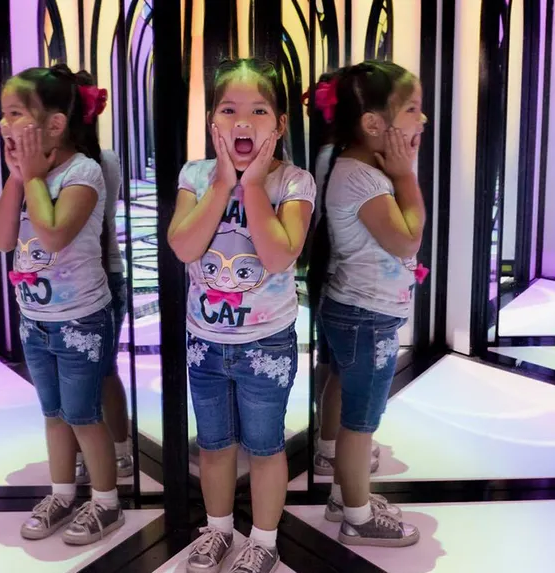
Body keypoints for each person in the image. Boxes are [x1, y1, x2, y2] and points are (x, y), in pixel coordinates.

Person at [168, 58, 316, 573]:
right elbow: (183, 245)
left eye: (258, 110)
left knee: (265, 445)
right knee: (213, 446)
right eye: (229, 110)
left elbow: (278, 256)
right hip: (204, 341)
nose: (243, 122)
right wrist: (221, 184)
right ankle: (218, 530)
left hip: (266, 345)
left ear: (278, 124)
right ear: (213, 121)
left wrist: (250, 185)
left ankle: (264, 540)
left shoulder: (293, 184)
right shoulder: (195, 175)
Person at [0, 64, 123, 546]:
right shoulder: (27, 176)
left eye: (15, 114)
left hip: (81, 319)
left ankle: (106, 504)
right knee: (54, 413)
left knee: (85, 415)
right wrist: (17, 180)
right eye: (2, 115)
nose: (5, 126)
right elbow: (3, 238)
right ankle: (63, 493)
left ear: (55, 124)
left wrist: (32, 179)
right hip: (36, 319)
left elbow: (54, 232)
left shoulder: (83, 172)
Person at [306, 60, 428, 547]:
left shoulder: (354, 167)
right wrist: (407, 176)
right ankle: (356, 513)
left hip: (355, 310)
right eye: (413, 109)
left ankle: (343, 491)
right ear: (374, 124)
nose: (422, 121)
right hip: (366, 316)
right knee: (362, 423)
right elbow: (406, 242)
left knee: (343, 391)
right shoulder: (365, 178)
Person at [305, 72, 381, 478]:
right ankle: (332, 445)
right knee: (341, 367)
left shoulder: (329, 155)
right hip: (343, 272)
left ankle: (329, 440)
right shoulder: (342, 159)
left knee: (335, 363)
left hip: (329, 264)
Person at [72, 71, 134, 486]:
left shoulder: (96, 164)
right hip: (104, 272)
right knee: (98, 371)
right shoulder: (105, 160)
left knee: (97, 370)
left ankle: (117, 452)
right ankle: (118, 450)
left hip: (100, 274)